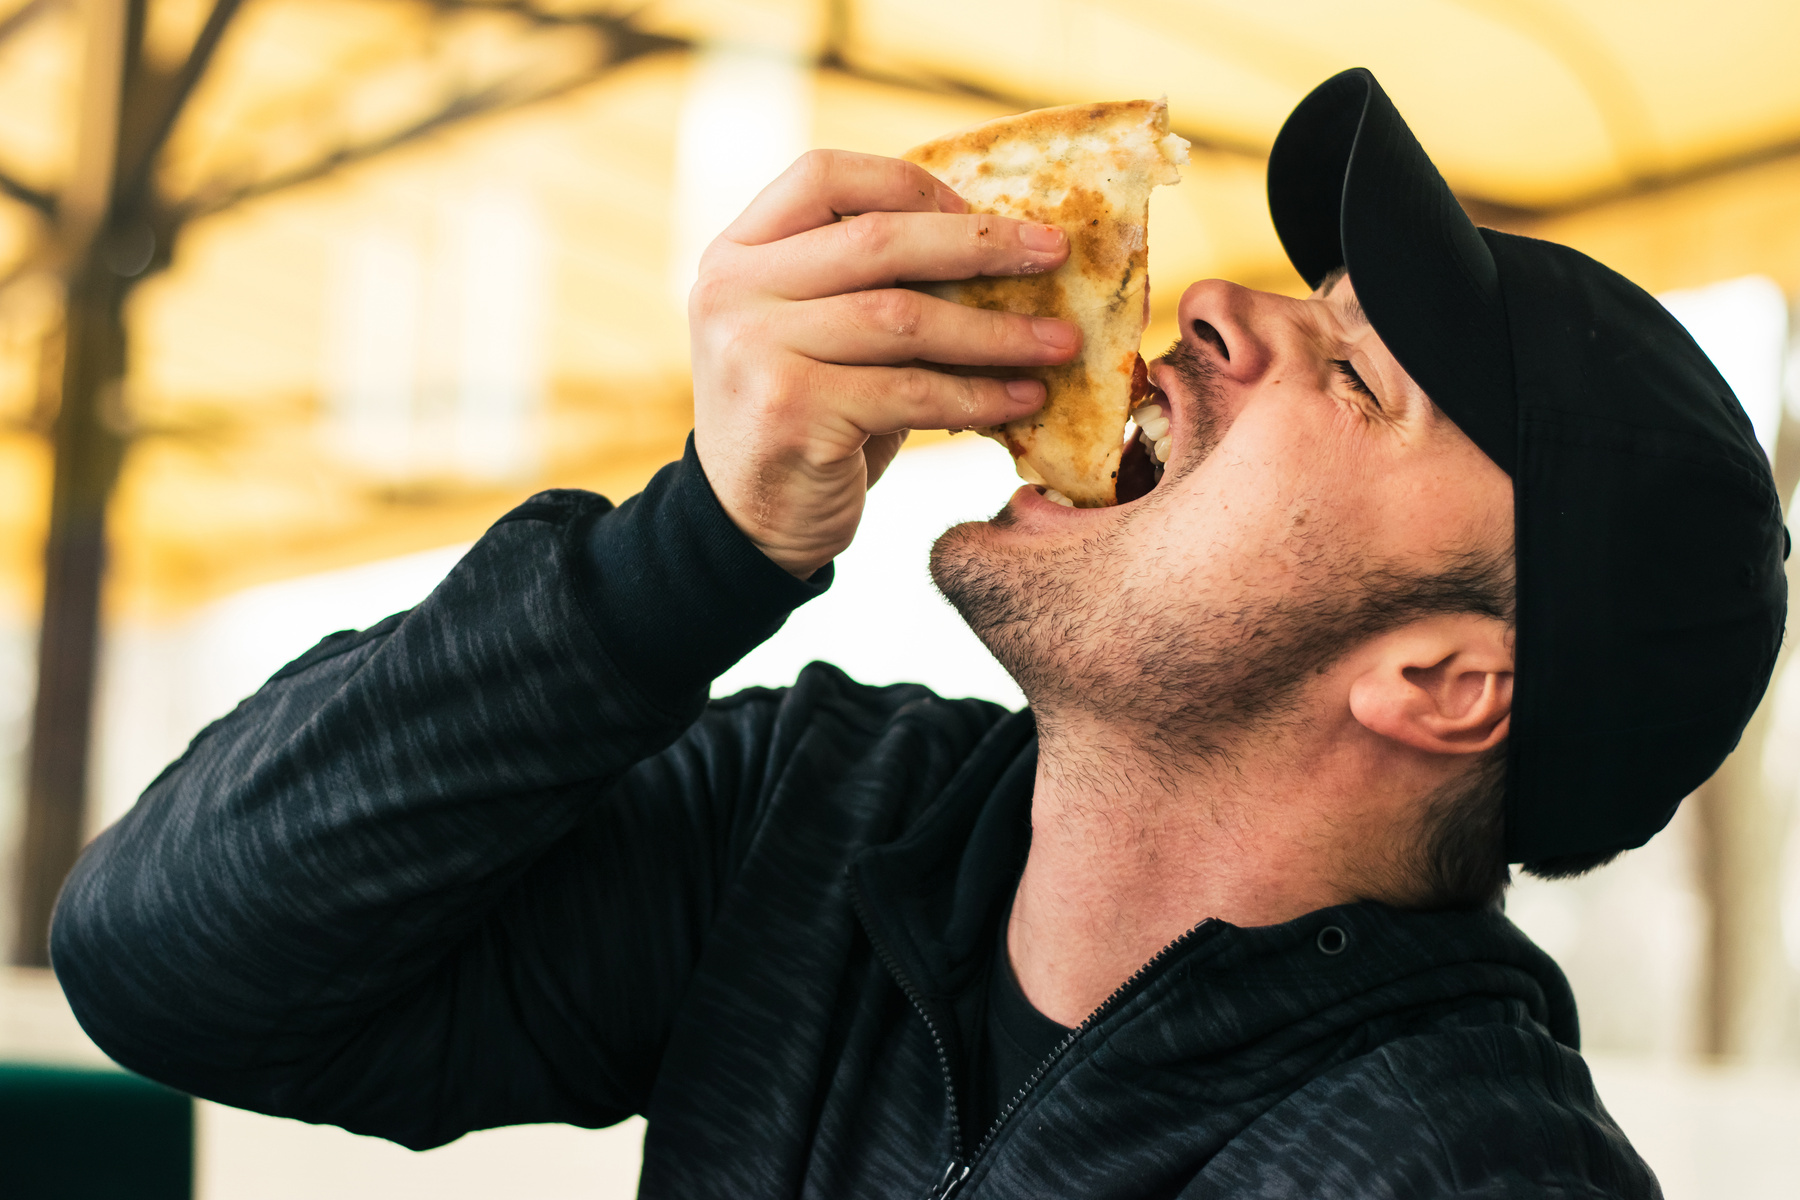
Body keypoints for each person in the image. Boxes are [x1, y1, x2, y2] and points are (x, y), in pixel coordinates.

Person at [52, 69, 1784, 1199]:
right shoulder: (821, 826)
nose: (1208, 303)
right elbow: (167, 962)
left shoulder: (1458, 1175)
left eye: (1351, 374)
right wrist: (696, 546)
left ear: (1446, 680)